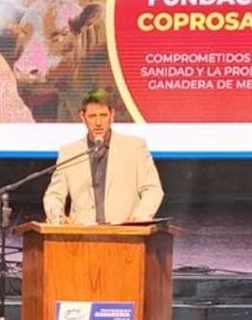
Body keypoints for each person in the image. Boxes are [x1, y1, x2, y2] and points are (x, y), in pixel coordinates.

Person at [43, 88, 163, 225]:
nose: (98, 122)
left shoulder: (134, 147)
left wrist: (140, 217)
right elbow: (54, 195)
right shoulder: (70, 152)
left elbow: (152, 189)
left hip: (125, 235)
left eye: (103, 115)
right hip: (81, 237)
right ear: (83, 117)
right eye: (92, 116)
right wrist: (58, 216)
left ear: (112, 115)